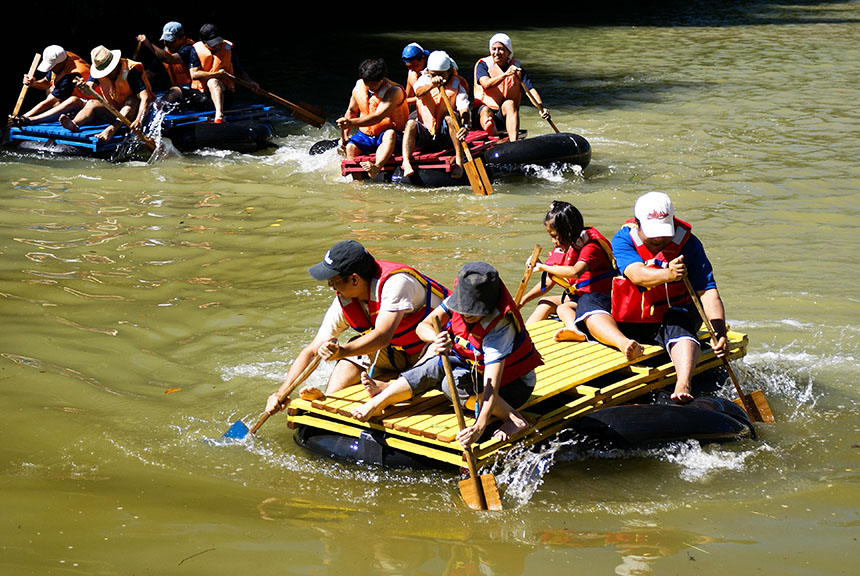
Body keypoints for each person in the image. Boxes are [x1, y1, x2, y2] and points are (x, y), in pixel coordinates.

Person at [350, 261, 542, 448]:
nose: (465, 315)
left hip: (511, 386)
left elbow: (491, 385)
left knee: (451, 385)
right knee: (436, 363)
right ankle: (380, 400)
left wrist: (479, 426)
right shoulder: (456, 300)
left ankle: (513, 418)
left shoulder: (499, 327)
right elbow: (423, 327)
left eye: (472, 311)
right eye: (463, 309)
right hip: (473, 368)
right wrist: (436, 339)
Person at [264, 240, 448, 416]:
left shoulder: (396, 283)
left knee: (435, 351)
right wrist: (282, 392)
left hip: (429, 351)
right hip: (398, 354)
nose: (330, 286)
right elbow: (313, 350)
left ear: (354, 280)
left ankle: (391, 389)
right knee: (351, 354)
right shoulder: (344, 302)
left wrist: (341, 351)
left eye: (333, 281)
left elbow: (382, 336)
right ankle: (329, 400)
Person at [610, 191, 728, 402]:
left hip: (676, 314)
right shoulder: (622, 240)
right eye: (652, 233)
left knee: (678, 322)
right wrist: (669, 274)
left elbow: (708, 291)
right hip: (634, 319)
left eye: (664, 232)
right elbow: (637, 275)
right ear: (637, 224)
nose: (658, 238)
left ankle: (683, 382)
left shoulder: (689, 244)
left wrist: (719, 331)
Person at [520, 201, 644, 360]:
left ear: (567, 231)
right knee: (545, 302)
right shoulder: (565, 248)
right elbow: (549, 282)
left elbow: (575, 272)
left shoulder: (591, 247)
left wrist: (543, 267)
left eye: (555, 236)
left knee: (563, 308)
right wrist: (524, 300)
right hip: (578, 296)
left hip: (600, 300)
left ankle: (576, 331)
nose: (553, 241)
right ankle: (522, 339)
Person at [58, 45, 154, 142]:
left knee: (130, 103)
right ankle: (75, 123)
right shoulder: (97, 69)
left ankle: (111, 129)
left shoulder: (130, 71)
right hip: (113, 110)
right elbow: (88, 90)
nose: (105, 74)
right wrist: (83, 87)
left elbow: (145, 97)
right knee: (91, 103)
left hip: (134, 112)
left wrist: (139, 119)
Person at [400, 51, 470, 178]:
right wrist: (432, 84)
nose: (438, 78)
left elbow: (464, 109)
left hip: (444, 136)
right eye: (433, 75)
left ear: (449, 72)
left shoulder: (457, 85)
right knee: (410, 123)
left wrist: (465, 125)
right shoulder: (423, 81)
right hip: (425, 134)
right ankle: (406, 161)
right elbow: (419, 92)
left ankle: (459, 162)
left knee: (450, 118)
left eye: (441, 75)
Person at [337, 58, 410, 179]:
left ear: (382, 79)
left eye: (374, 84)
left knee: (390, 134)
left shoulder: (394, 91)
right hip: (367, 135)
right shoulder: (359, 86)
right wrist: (344, 135)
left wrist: (350, 123)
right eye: (367, 83)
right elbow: (351, 111)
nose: (370, 86)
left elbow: (378, 117)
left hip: (391, 134)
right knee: (350, 147)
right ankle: (357, 181)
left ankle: (376, 167)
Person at [472, 33, 550, 142]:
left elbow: (530, 90)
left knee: (510, 103)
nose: (496, 53)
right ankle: (492, 133)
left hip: (502, 116)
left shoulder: (517, 69)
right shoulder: (483, 65)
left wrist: (541, 108)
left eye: (501, 49)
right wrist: (505, 75)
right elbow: (486, 84)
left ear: (509, 52)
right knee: (486, 111)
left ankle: (513, 143)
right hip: (482, 115)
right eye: (494, 49)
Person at [188, 24, 259, 123]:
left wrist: (250, 82)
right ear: (204, 42)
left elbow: (238, 70)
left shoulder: (228, 48)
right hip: (202, 97)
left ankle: (219, 115)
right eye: (213, 44)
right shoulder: (195, 50)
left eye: (217, 42)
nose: (217, 45)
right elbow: (194, 75)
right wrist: (217, 74)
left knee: (213, 82)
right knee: (178, 91)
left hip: (224, 95)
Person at [7, 45, 90, 127]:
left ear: (61, 63)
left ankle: (30, 120)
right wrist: (34, 83)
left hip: (90, 105)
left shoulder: (72, 73)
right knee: (51, 90)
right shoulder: (62, 59)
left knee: (72, 101)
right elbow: (46, 83)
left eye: (52, 66)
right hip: (72, 98)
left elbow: (49, 102)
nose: (50, 69)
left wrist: (24, 117)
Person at [135, 21, 201, 106]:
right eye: (165, 40)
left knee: (174, 91)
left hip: (195, 91)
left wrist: (148, 44)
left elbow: (171, 59)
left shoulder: (190, 49)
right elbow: (148, 75)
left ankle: (156, 111)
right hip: (180, 92)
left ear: (183, 38)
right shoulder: (164, 53)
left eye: (171, 40)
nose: (166, 43)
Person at [401, 43, 429, 111]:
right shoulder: (411, 72)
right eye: (408, 67)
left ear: (423, 59)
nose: (412, 70)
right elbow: (407, 98)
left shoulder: (435, 70)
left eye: (414, 66)